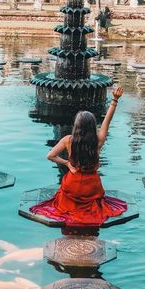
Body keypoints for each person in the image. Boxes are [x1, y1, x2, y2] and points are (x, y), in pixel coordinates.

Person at [30, 87, 127, 226]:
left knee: (62, 199)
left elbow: (50, 156)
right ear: (93, 125)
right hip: (91, 187)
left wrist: (67, 164)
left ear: (77, 126)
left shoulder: (68, 140)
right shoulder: (98, 141)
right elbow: (107, 121)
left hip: (72, 185)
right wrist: (115, 100)